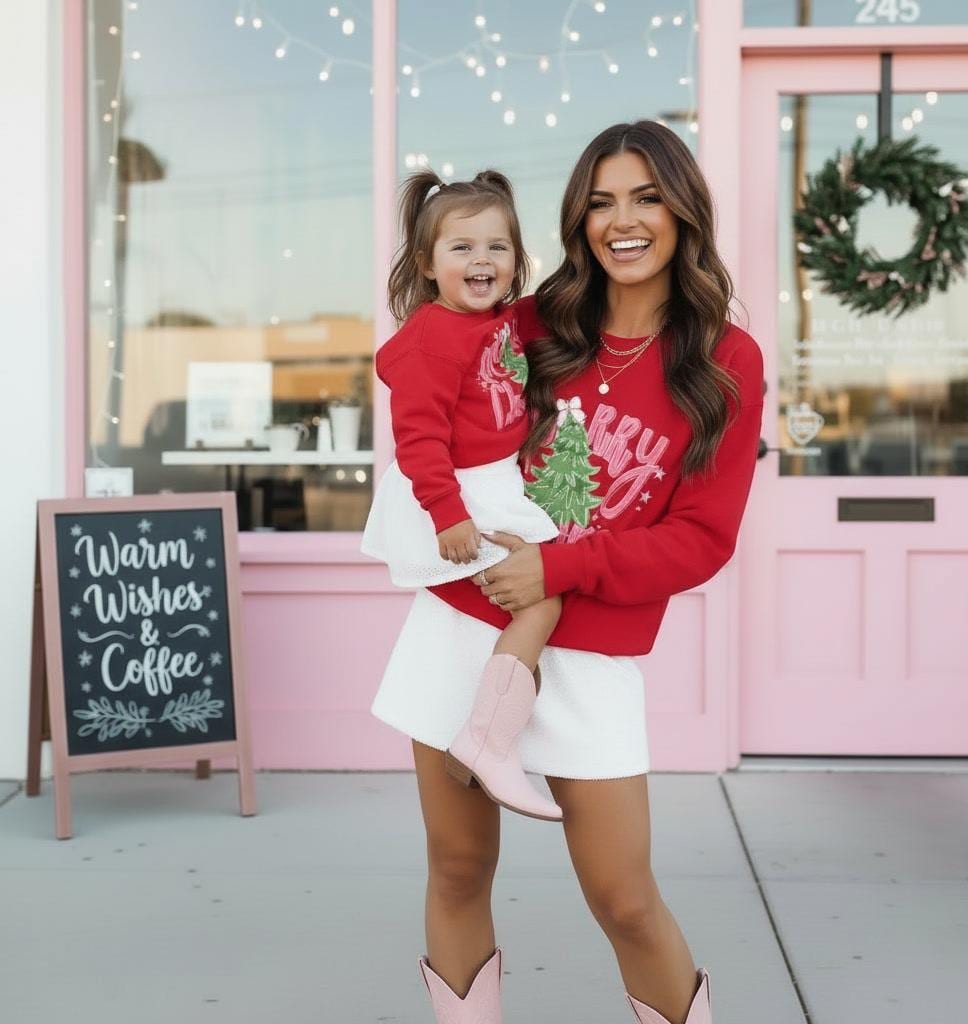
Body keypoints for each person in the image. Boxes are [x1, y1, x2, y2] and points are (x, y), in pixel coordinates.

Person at [371, 121, 764, 1024]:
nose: (621, 222)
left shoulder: (725, 361)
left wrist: (559, 562)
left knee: (625, 900)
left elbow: (702, 538)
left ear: (683, 210)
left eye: (645, 197)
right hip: (463, 626)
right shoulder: (530, 319)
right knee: (458, 867)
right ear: (578, 220)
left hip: (588, 651)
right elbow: (421, 375)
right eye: (599, 203)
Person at [361, 168, 566, 822]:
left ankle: (481, 734)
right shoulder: (431, 340)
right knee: (543, 596)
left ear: (515, 263)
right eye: (462, 248)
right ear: (426, 264)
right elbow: (418, 440)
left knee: (534, 596)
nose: (482, 259)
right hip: (457, 492)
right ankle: (487, 740)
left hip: (491, 479)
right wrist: (448, 516)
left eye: (497, 248)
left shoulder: (502, 320)